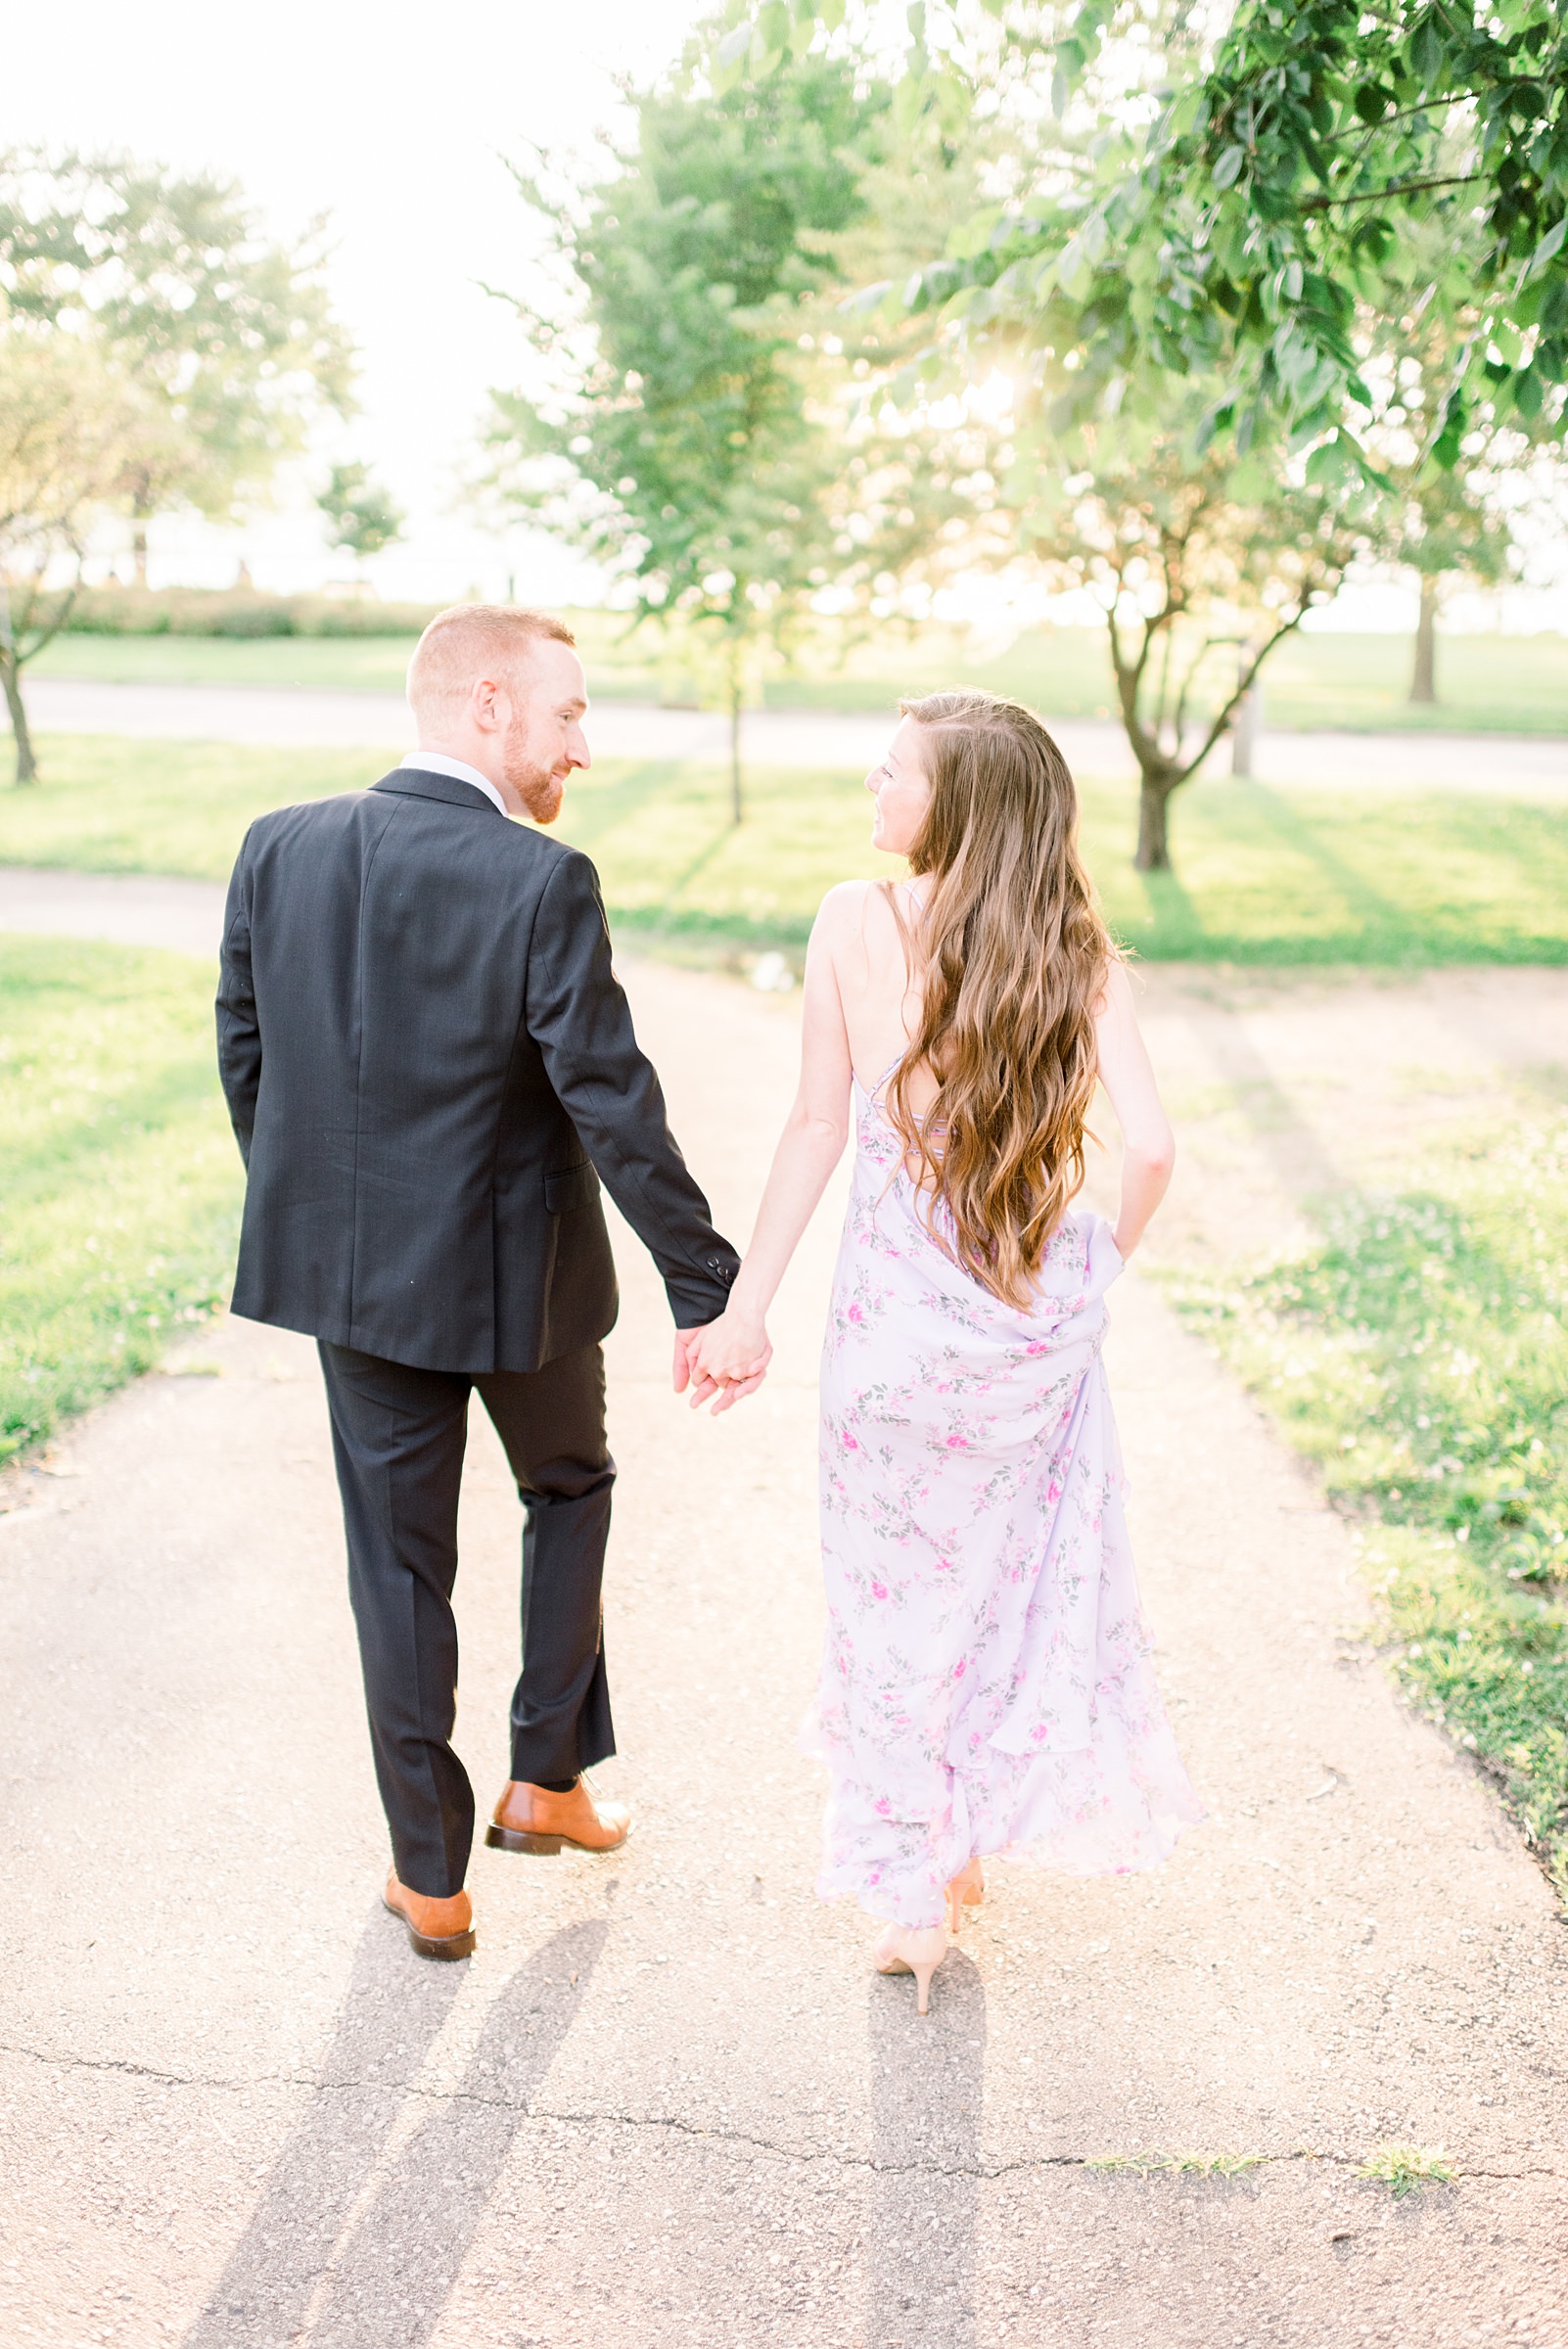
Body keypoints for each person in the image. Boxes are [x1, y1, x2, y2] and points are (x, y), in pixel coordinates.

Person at [215, 605, 761, 1961]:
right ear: (484, 706)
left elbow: (246, 1051)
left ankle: (433, 1879)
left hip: (356, 1283)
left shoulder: (276, 848)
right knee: (567, 1486)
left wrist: (324, 1210)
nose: (584, 744)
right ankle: (546, 1778)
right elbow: (611, 1101)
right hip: (521, 1285)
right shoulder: (539, 880)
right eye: (568, 713)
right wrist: (708, 1287)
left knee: (395, 1567)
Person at [688, 690, 1203, 2012]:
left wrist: (747, 1306)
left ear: (956, 806)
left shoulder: (854, 922)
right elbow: (1147, 1149)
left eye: (891, 779)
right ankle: (954, 1852)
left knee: (887, 1610)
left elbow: (813, 1127)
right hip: (1025, 1335)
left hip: (887, 1348)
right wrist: (1090, 1270)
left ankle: (911, 1899)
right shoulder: (1075, 951)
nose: (871, 797)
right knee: (1001, 1594)